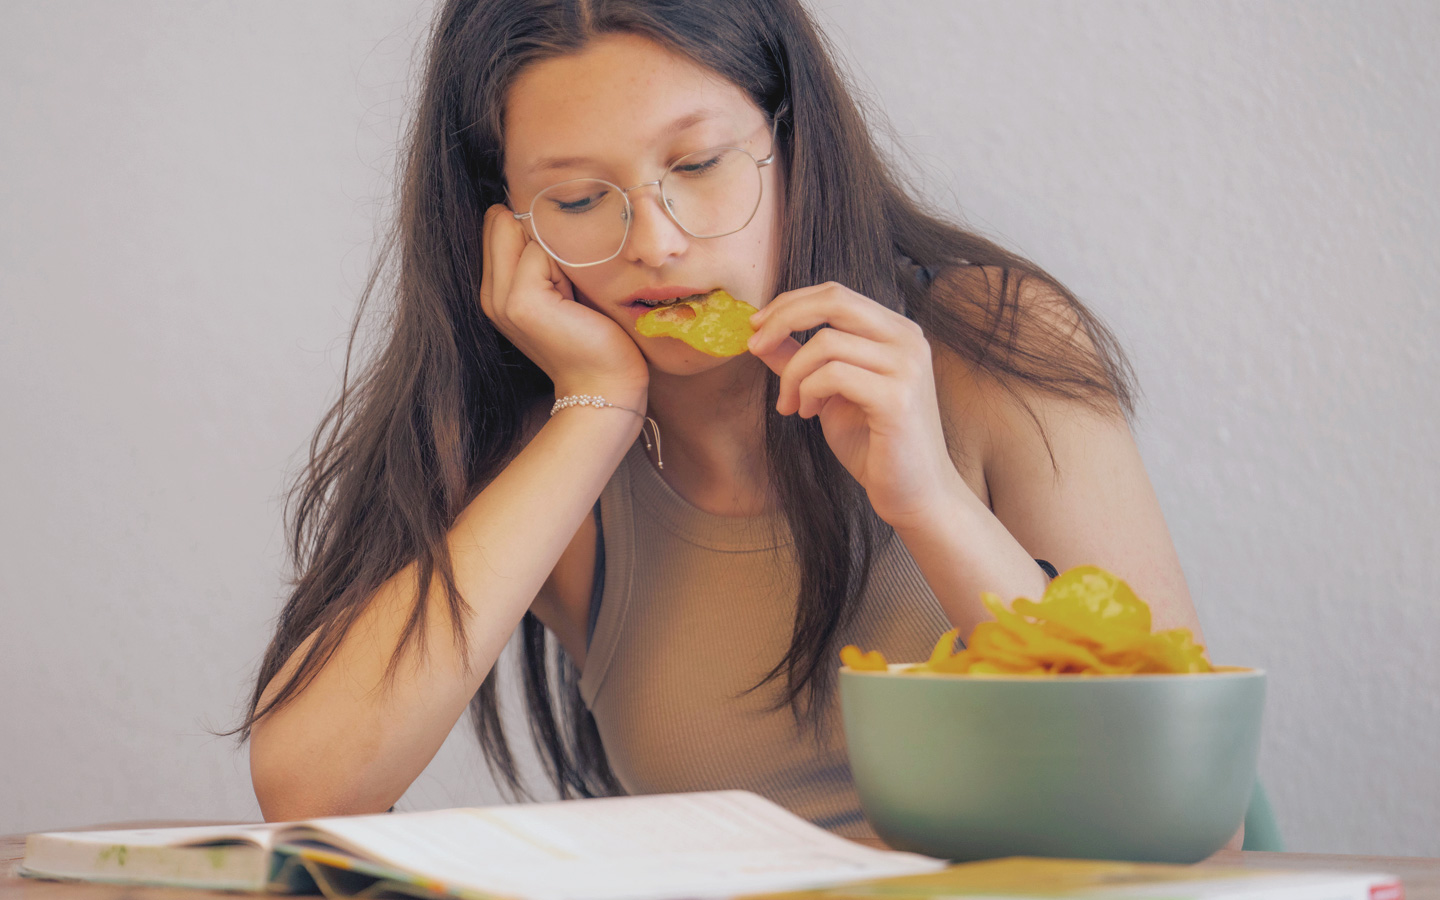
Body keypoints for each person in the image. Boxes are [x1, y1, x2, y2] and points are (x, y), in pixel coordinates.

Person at [240, 0, 1213, 842]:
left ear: (791, 140)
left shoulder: (993, 343)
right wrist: (596, 410)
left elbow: (1185, 810)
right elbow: (315, 783)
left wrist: (930, 503)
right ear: (506, 227)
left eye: (699, 163)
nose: (657, 243)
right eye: (579, 199)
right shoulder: (538, 449)